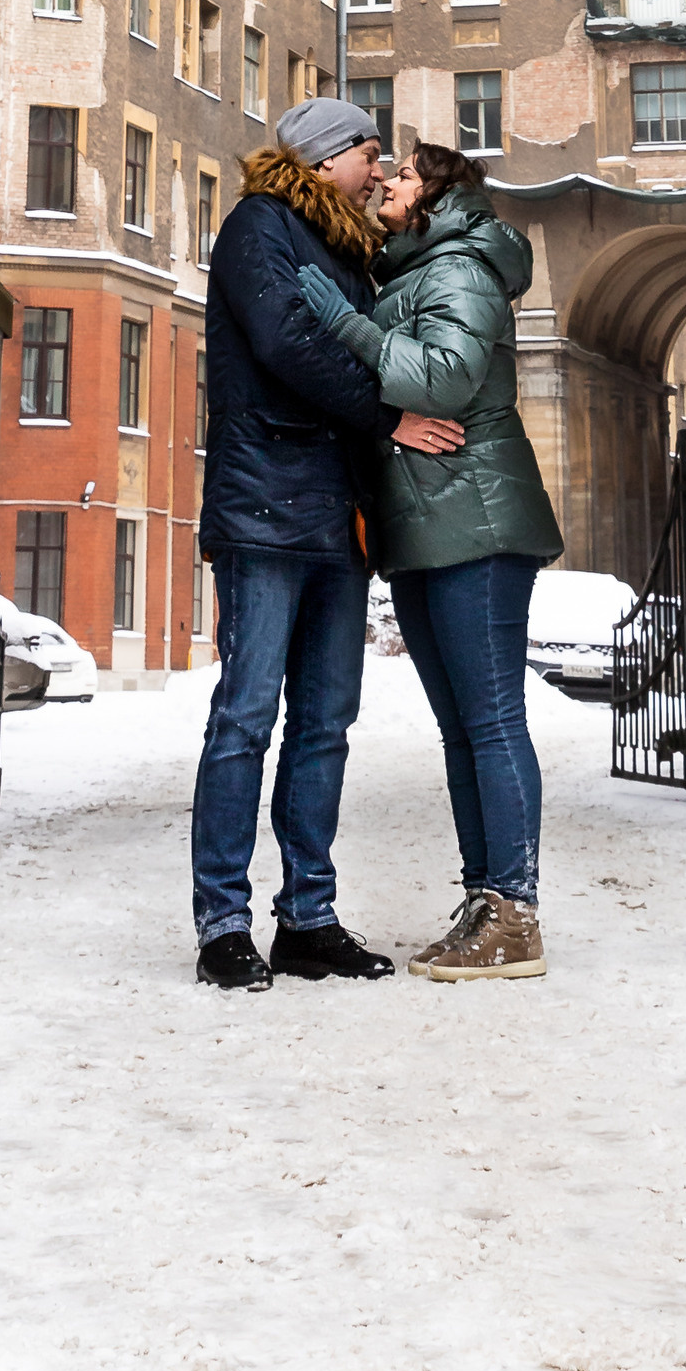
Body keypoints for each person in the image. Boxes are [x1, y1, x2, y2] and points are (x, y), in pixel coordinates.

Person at [190, 93, 465, 992]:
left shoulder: (347, 248)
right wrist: (391, 415)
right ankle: (222, 922)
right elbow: (289, 344)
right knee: (244, 718)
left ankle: (307, 917)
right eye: (370, 153)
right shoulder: (257, 227)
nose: (382, 170)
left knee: (324, 727)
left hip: (334, 513)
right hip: (265, 505)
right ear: (321, 160)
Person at [298, 136, 563, 982]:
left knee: (490, 724)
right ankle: (486, 898)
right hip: (430, 521)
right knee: (463, 731)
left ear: (438, 197)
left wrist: (347, 328)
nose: (386, 183)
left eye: (403, 175)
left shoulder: (459, 268)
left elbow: (445, 379)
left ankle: (515, 914)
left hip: (475, 518)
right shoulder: (413, 269)